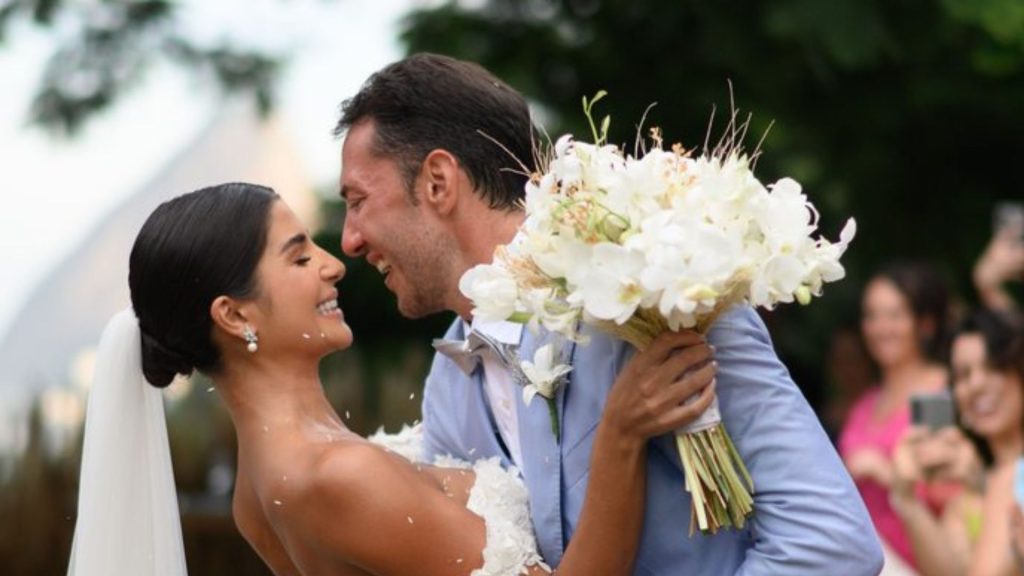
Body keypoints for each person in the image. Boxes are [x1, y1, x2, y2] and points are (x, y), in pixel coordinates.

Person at [336, 52, 882, 575]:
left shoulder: (658, 294)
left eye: (357, 200)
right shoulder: (449, 388)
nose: (349, 240)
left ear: (438, 182)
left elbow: (830, 543)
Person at [67, 183, 719, 576]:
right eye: (299, 256)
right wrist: (622, 435)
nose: (333, 265)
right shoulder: (336, 478)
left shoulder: (257, 494)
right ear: (235, 315)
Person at [889, 309, 1024, 576]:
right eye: (963, 374)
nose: (976, 384)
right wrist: (906, 498)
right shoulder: (963, 503)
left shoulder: (1008, 478)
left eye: (994, 367)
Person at [838, 261, 952, 569]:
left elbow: (953, 493)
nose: (880, 328)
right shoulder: (864, 405)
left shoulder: (938, 393)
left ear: (925, 324)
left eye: (894, 315)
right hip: (859, 559)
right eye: (872, 316)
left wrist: (887, 473)